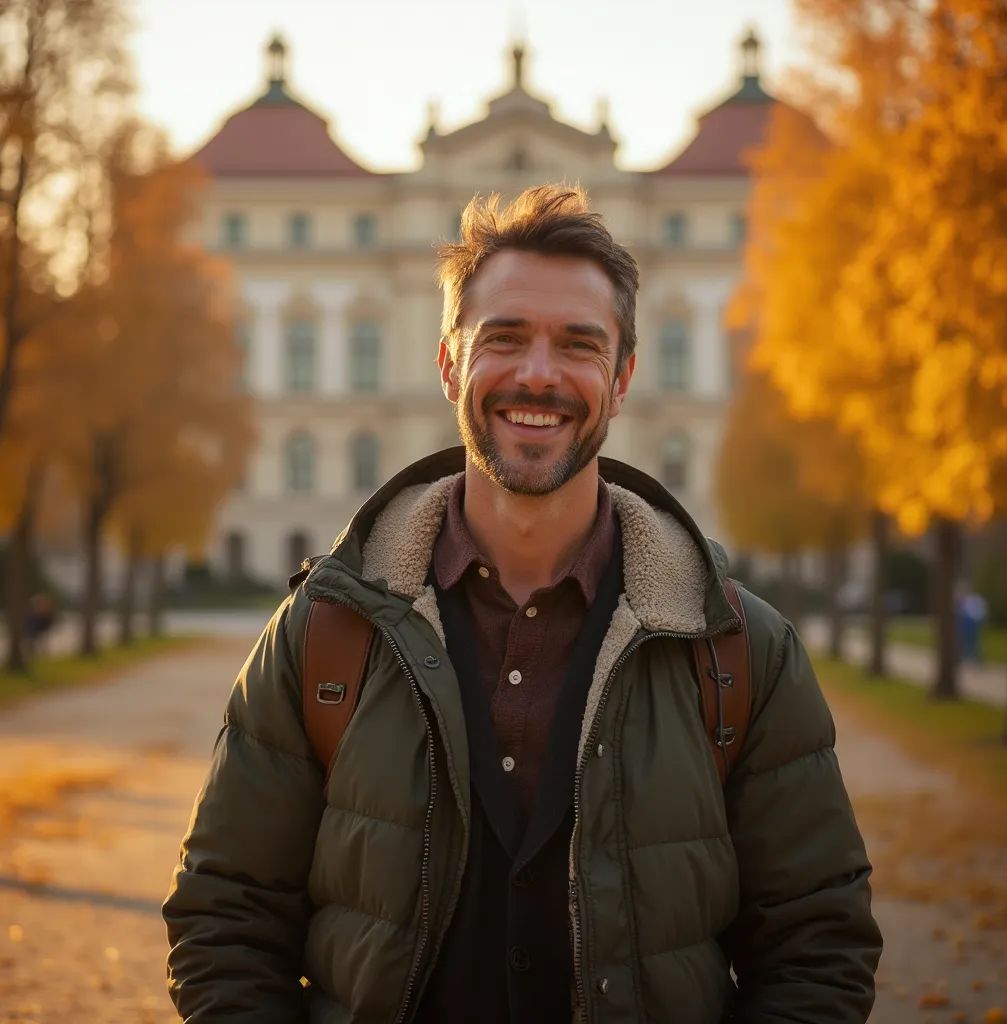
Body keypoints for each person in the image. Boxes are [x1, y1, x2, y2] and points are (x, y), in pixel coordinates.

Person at [163, 185, 882, 1023]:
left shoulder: (738, 650)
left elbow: (817, 945)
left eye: (579, 344)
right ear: (447, 364)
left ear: (622, 379)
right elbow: (225, 917)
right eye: (504, 338)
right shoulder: (326, 633)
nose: (538, 375)